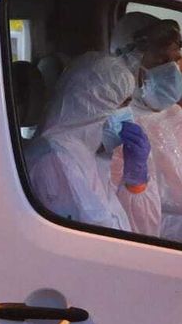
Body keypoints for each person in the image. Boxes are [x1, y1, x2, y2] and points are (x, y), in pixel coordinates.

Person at [111, 13, 182, 246]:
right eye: (161, 61)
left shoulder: (175, 115)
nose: (172, 71)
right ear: (129, 60)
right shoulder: (117, 126)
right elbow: (138, 225)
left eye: (175, 61)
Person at [25, 46, 155, 232]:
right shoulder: (55, 159)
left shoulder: (85, 152)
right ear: (93, 105)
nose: (128, 113)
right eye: (122, 103)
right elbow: (99, 237)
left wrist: (135, 185)